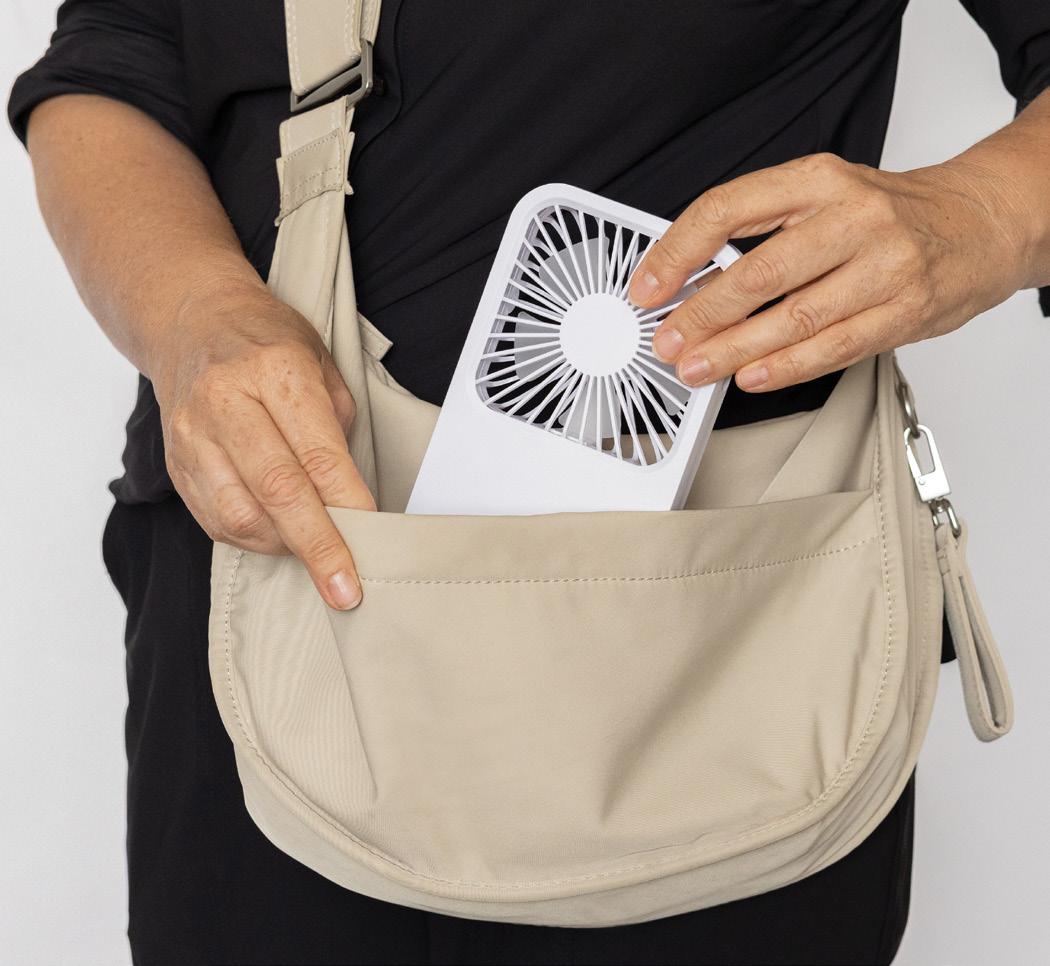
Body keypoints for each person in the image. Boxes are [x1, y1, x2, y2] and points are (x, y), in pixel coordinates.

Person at [9, 2, 1050, 964]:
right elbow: (116, 60)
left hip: (733, 635)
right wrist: (190, 314)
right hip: (269, 570)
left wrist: (984, 213)